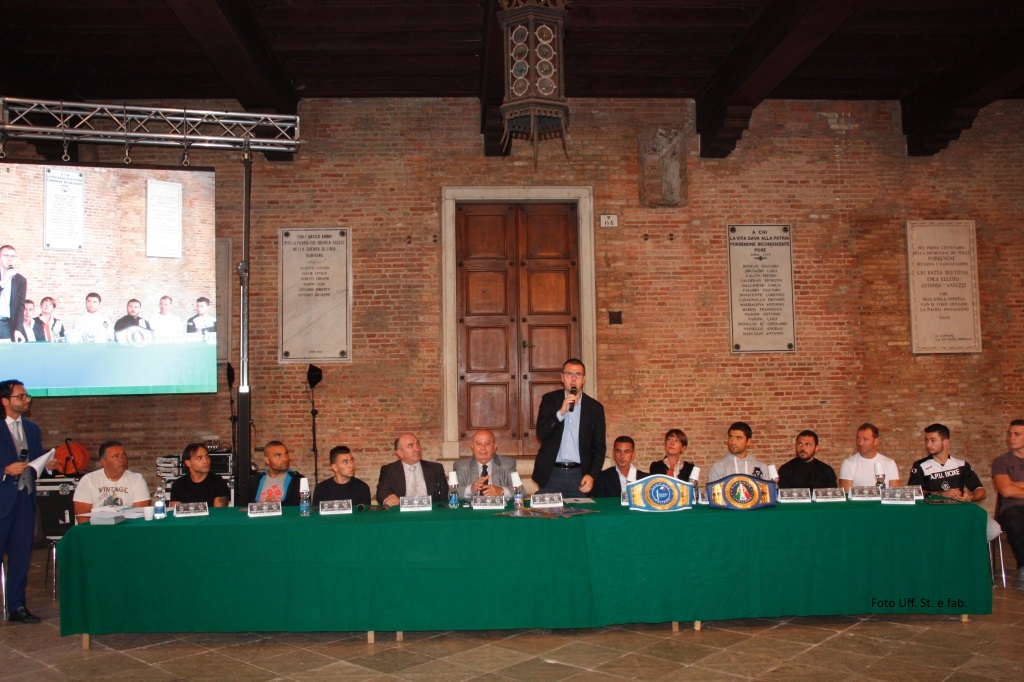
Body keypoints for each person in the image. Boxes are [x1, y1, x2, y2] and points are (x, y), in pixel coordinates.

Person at [1, 380, 46, 623]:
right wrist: (4, 469)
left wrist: (48, 464)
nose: (26, 400)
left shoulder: (31, 428)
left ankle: (17, 607)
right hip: (2, 500)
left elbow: (37, 458)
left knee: (20, 557)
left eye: (27, 395)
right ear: (5, 401)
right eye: (20, 396)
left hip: (24, 500)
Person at [908, 423, 999, 539]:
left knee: (993, 529)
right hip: (933, 513)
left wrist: (969, 497)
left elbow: (981, 491)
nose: (928, 444)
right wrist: (941, 494)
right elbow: (912, 492)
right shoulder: (920, 466)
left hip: (959, 510)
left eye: (933, 440)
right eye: (926, 440)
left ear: (946, 442)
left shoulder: (961, 465)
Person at [533, 358, 607, 497]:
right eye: (569, 374)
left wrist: (591, 475)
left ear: (584, 379)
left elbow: (599, 447)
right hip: (552, 474)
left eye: (578, 374)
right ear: (562, 377)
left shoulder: (594, 408)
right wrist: (560, 412)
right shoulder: (549, 400)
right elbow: (541, 434)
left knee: (581, 517)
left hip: (579, 475)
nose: (573, 379)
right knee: (548, 517)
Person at [72, 440, 151, 523]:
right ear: (103, 462)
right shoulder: (88, 480)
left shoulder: (137, 479)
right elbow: (82, 516)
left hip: (126, 528)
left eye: (123, 455)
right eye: (116, 456)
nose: (122, 459)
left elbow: (139, 514)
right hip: (97, 529)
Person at [992, 419, 1024, 591]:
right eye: (1009, 433)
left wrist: (1016, 484)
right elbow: (1006, 490)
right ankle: (1023, 568)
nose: (1011, 438)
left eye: (1017, 434)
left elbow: (1012, 487)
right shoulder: (1001, 461)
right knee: (1015, 521)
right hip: (1010, 509)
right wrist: (1011, 486)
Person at [376, 432, 447, 508]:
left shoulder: (436, 468)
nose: (417, 449)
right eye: (410, 445)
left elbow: (444, 495)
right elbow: (381, 491)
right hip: (401, 514)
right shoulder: (389, 470)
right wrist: (387, 498)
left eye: (418, 444)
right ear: (400, 453)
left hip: (430, 512)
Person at [453, 429, 518, 500]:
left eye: (487, 444)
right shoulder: (461, 466)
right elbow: (453, 491)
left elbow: (519, 490)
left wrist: (501, 491)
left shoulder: (507, 464)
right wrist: (471, 489)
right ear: (472, 447)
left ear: (494, 447)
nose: (483, 448)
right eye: (478, 444)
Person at [839, 423, 899, 491]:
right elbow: (847, 495)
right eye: (858, 438)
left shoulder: (889, 463)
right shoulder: (848, 463)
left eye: (865, 439)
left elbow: (894, 494)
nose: (860, 443)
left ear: (876, 441)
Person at [170, 442, 230, 507]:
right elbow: (175, 512)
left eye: (207, 456)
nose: (205, 461)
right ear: (188, 463)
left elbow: (219, 513)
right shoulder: (179, 484)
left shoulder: (219, 482)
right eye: (199, 458)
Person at [249, 440, 305, 505]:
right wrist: (263, 506)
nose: (285, 459)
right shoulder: (254, 482)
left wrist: (276, 506)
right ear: (267, 460)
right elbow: (243, 509)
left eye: (286, 454)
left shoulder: (298, 481)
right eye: (278, 455)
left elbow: (301, 508)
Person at [0, 245, 27, 342]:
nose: (10, 259)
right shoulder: (5, 278)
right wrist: (4, 280)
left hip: (6, 325)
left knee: (6, 355)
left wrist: (18, 329)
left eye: (13, 256)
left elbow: (20, 307)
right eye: (6, 256)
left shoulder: (20, 280)